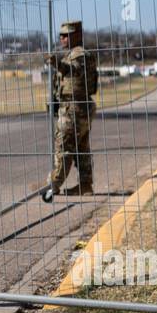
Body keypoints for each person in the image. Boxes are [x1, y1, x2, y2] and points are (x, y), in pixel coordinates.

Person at [40, 21, 98, 202]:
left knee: (64, 146)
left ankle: (53, 185)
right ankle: (85, 184)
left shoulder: (79, 55)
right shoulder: (73, 54)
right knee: (81, 147)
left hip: (74, 108)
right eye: (61, 35)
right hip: (77, 107)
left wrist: (55, 62)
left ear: (77, 35)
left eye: (66, 35)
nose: (62, 38)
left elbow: (73, 71)